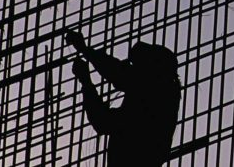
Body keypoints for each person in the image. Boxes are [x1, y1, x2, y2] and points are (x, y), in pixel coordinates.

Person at [65, 30, 181, 166]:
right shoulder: (163, 91)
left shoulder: (152, 97)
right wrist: (85, 50)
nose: (131, 69)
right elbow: (118, 72)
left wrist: (86, 81)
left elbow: (103, 121)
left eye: (136, 67)